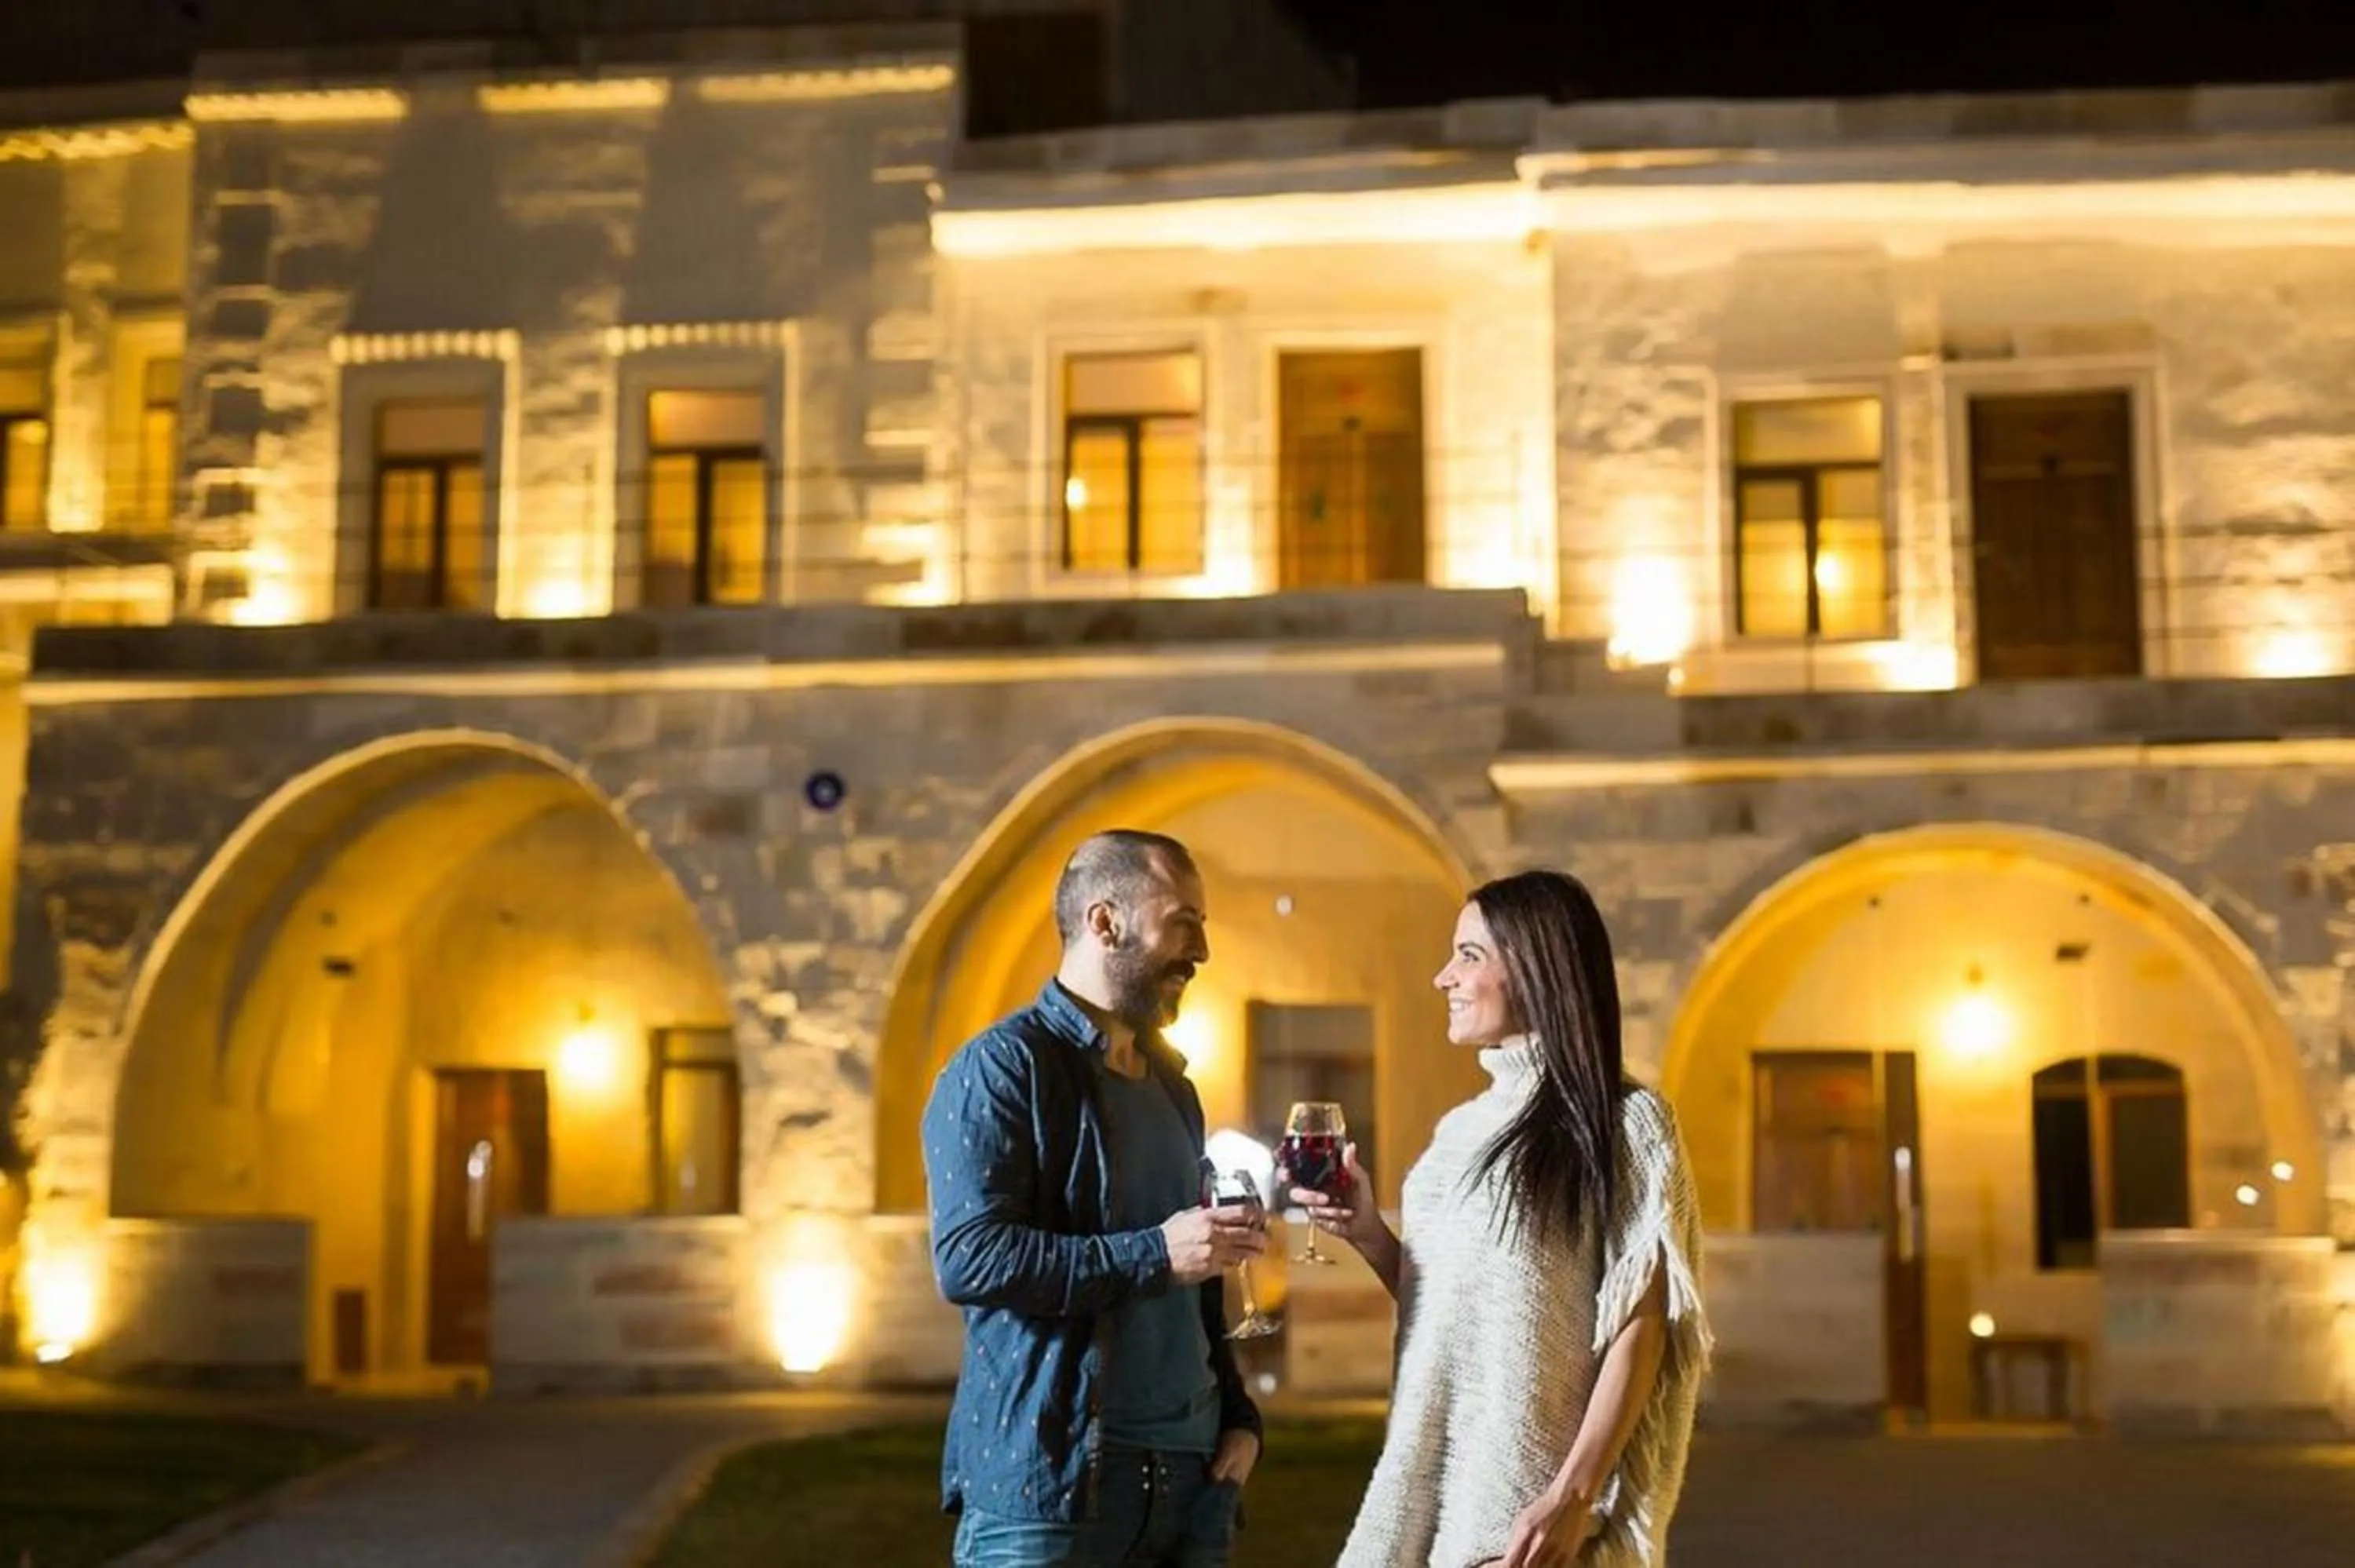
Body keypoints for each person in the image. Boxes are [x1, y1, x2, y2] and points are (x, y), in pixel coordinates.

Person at [1293, 869, 1711, 1568]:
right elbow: (1452, 1316)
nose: (1444, 978)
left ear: (1538, 967)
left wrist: (1571, 1497)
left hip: (1532, 1519)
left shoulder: (1625, 1124)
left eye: (1469, 955)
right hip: (1430, 1490)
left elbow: (1642, 1327)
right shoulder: (1458, 1135)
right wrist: (1369, 1232)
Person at [924, 829, 1265, 1568]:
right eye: (1184, 923)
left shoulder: (1174, 1086)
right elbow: (971, 1259)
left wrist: (1240, 1420)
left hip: (1193, 1483)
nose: (1202, 951)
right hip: (1053, 1493)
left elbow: (1195, 1283)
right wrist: (1155, 1252)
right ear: (1105, 922)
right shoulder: (1003, 1069)